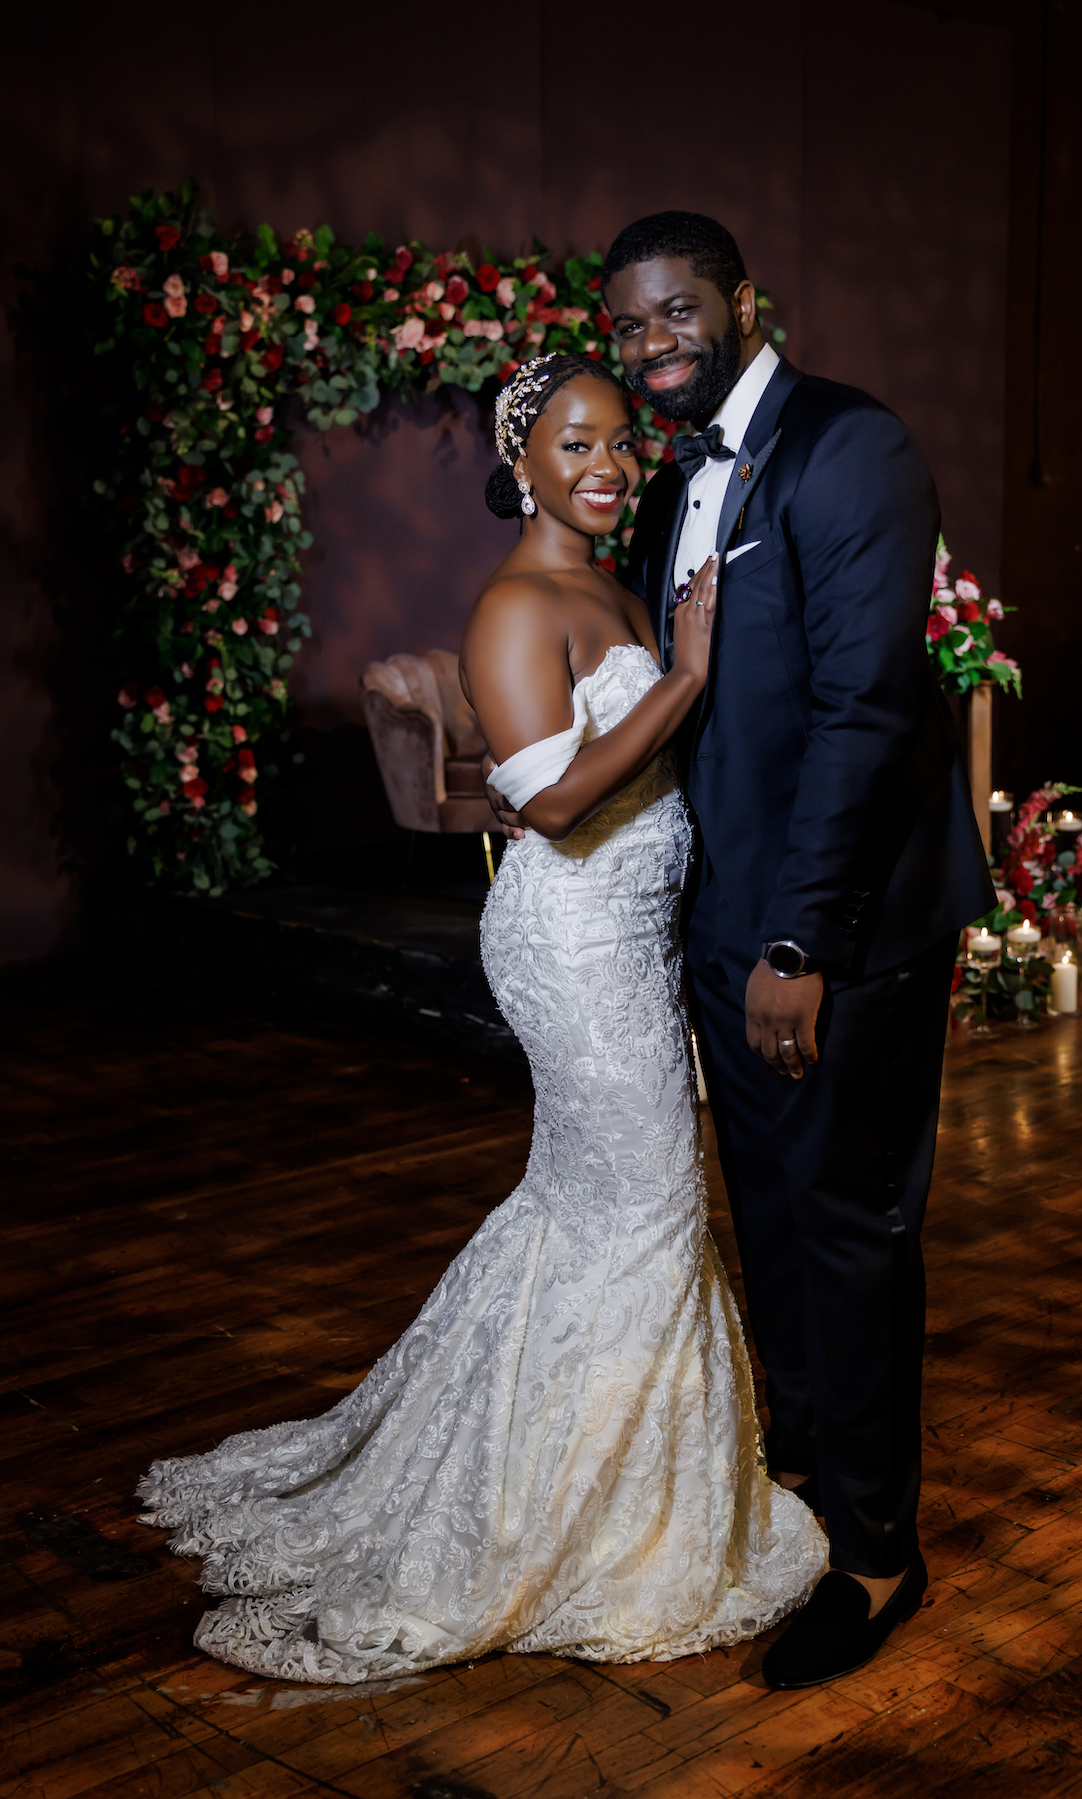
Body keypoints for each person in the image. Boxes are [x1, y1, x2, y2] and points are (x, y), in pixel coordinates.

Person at [137, 352, 825, 1685]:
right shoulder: (514, 605)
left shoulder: (610, 585)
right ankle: (584, 1522)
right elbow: (554, 804)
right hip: (572, 946)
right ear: (522, 463)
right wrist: (684, 678)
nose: (606, 466)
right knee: (646, 1207)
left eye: (619, 442)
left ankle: (588, 1485)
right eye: (574, 445)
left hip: (636, 939)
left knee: (603, 1210)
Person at [598, 212, 997, 1686]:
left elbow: (867, 712)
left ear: (744, 301)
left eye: (675, 311)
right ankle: (808, 1488)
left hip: (835, 931)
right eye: (628, 325)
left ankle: (880, 1556)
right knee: (769, 1217)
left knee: (848, 1227)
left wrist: (794, 940)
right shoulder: (674, 484)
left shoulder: (850, 447)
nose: (652, 344)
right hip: (727, 921)